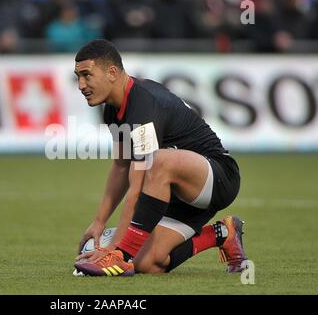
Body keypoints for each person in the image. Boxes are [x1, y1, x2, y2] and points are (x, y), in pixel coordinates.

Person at [73, 39, 247, 277]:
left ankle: (121, 257)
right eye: (78, 77)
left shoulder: (143, 103)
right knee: (148, 264)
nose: (81, 85)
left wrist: (116, 250)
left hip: (217, 178)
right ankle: (222, 233)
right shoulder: (113, 109)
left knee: (157, 161)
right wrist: (99, 222)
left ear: (112, 72)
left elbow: (138, 183)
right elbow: (122, 167)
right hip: (174, 193)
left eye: (86, 75)